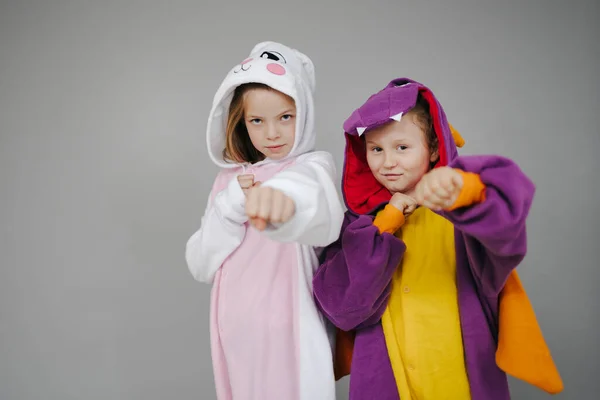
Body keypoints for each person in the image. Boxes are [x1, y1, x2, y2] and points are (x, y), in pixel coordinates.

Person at [313, 77, 563, 399]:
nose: (387, 162)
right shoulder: (359, 226)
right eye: (376, 149)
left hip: (458, 375)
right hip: (388, 374)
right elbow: (343, 308)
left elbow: (507, 232)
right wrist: (383, 226)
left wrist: (467, 190)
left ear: (432, 149)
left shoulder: (465, 221)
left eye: (402, 147)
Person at [185, 41, 344, 400]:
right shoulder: (229, 181)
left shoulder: (311, 167)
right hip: (235, 328)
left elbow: (318, 209)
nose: (271, 133)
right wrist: (233, 204)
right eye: (257, 121)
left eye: (285, 117)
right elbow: (201, 262)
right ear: (241, 123)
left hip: (288, 328)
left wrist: (281, 199)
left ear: (304, 114)